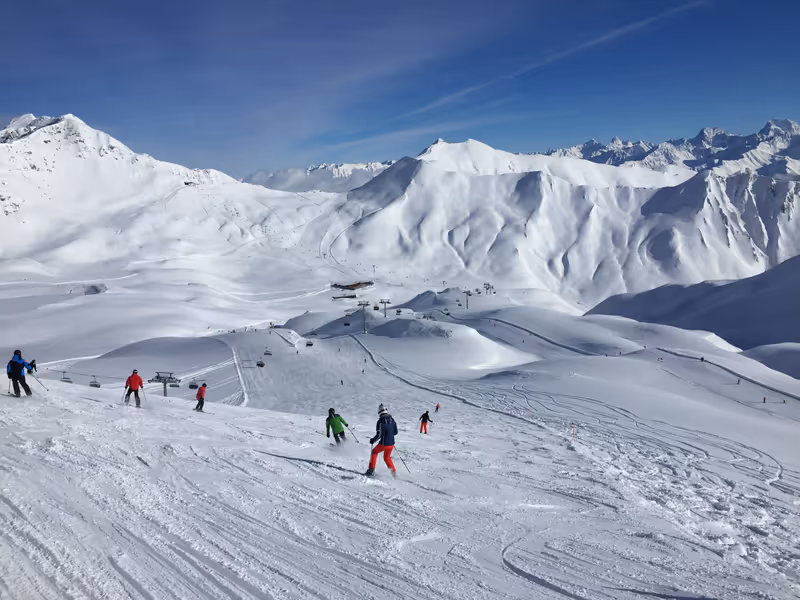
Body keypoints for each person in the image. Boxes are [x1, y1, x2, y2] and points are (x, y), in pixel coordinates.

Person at [366, 404, 398, 477]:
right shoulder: (392, 420)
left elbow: (379, 435)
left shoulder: (380, 421)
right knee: (387, 458)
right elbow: (395, 432)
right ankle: (393, 473)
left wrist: (373, 440)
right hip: (391, 444)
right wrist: (389, 435)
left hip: (384, 444)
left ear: (379, 412)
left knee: (374, 452)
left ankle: (371, 470)